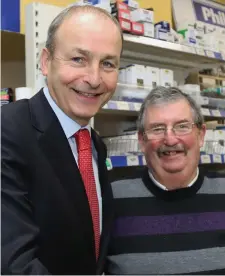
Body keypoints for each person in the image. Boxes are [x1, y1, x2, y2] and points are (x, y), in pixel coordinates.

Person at [1, 5, 123, 275]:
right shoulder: (7, 131)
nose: (93, 79)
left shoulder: (94, 145)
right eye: (79, 59)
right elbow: (13, 265)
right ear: (46, 61)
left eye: (107, 64)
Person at [106, 87, 225, 275]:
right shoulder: (109, 198)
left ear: (201, 135)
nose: (170, 139)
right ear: (142, 140)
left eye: (182, 126)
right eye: (157, 129)